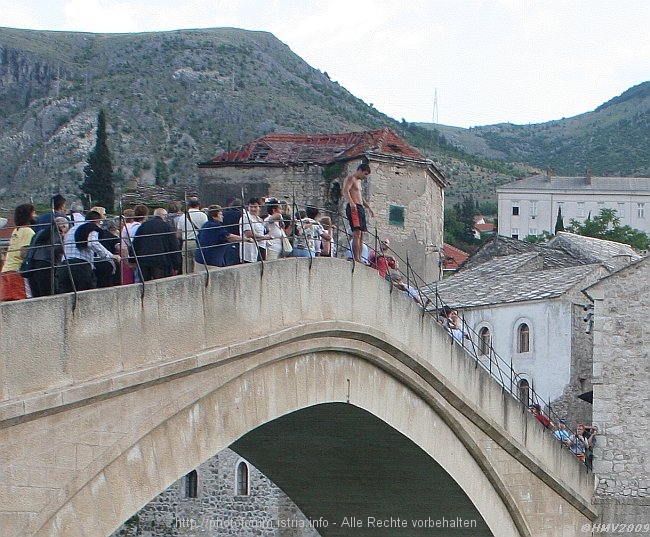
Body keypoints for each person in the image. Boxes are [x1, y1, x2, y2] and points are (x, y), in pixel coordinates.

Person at [57, 210, 120, 293]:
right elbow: (92, 243)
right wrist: (110, 256)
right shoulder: (91, 227)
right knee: (87, 296)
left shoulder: (71, 230)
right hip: (80, 266)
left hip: (64, 266)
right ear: (97, 221)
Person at [0, 203, 36, 301]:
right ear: (28, 215)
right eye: (34, 213)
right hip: (17, 271)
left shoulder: (16, 230)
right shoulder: (28, 231)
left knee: (8, 304)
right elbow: (23, 253)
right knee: (22, 302)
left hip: (6, 270)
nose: (36, 216)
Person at [132, 208, 180, 281]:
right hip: (161, 262)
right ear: (164, 216)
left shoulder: (144, 225)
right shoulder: (167, 227)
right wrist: (176, 265)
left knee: (145, 285)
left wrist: (132, 259)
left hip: (144, 261)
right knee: (160, 286)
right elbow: (174, 246)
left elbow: (136, 243)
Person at [26, 216, 69, 297]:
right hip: (46, 265)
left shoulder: (41, 232)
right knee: (48, 294)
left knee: (37, 295)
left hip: (33, 266)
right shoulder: (55, 234)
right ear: (63, 226)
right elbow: (55, 249)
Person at [342, 162, 373, 263]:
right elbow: (345, 191)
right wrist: (351, 203)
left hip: (360, 207)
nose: (365, 177)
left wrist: (368, 207)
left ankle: (359, 256)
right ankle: (356, 257)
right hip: (354, 207)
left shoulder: (359, 182)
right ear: (360, 170)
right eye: (365, 174)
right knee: (357, 233)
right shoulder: (351, 178)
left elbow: (360, 196)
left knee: (361, 234)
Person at [177, 196, 208, 274]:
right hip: (197, 242)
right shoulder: (202, 215)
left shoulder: (182, 217)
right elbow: (205, 230)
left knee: (186, 268)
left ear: (188, 205)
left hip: (186, 243)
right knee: (197, 267)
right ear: (199, 204)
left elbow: (178, 235)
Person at [239, 197, 271, 263]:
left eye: (255, 207)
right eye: (251, 207)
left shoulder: (259, 219)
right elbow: (249, 234)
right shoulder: (246, 217)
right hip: (251, 248)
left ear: (259, 207)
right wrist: (264, 237)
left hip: (261, 246)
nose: (253, 209)